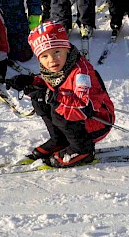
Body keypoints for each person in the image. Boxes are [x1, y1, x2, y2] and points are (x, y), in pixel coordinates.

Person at [7, 21, 114, 168]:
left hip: (98, 120)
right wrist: (31, 81)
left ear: (66, 49)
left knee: (60, 110)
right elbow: (53, 87)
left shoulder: (81, 73)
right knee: (38, 98)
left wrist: (55, 98)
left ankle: (83, 150)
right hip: (80, 123)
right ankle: (60, 140)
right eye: (44, 56)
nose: (51, 60)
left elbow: (84, 106)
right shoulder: (59, 68)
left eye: (56, 52)